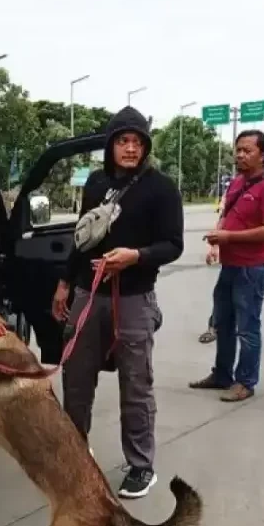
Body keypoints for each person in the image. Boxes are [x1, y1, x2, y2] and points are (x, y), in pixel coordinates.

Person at [51, 106, 184, 499]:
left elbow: (173, 245)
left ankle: (141, 466)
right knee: (75, 378)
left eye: (137, 142)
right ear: (111, 146)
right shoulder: (95, 183)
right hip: (88, 295)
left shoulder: (161, 188)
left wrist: (135, 256)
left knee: (136, 384)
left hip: (134, 298)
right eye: (123, 141)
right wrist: (63, 283)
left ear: (145, 146)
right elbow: (82, 239)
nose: (130, 148)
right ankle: (76, 451)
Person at [188, 130, 264, 402]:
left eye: (247, 150)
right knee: (223, 323)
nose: (240, 155)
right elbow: (226, 215)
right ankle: (221, 375)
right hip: (230, 266)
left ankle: (245, 382)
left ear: (262, 155)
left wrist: (229, 237)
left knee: (247, 328)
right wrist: (216, 244)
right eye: (238, 149)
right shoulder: (237, 182)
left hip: (252, 269)